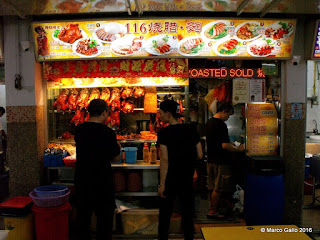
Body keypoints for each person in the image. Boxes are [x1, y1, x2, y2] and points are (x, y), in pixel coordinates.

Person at [74, 99, 120, 240]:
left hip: (83, 179)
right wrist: (117, 146)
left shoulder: (79, 130)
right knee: (104, 221)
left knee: (83, 219)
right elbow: (116, 158)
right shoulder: (108, 133)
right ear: (105, 112)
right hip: (102, 181)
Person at [157, 100, 203, 240]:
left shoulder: (164, 133)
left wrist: (162, 184)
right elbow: (200, 154)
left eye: (161, 113)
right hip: (187, 177)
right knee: (188, 213)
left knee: (165, 213)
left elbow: (164, 160)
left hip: (171, 178)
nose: (159, 116)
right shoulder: (191, 129)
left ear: (168, 114)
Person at [206, 102, 245, 219]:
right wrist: (238, 149)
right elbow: (223, 145)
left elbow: (217, 142)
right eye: (228, 115)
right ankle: (213, 211)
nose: (228, 118)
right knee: (218, 188)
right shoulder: (220, 125)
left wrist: (231, 143)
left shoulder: (209, 122)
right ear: (224, 111)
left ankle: (212, 208)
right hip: (220, 160)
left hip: (211, 159)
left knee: (212, 187)